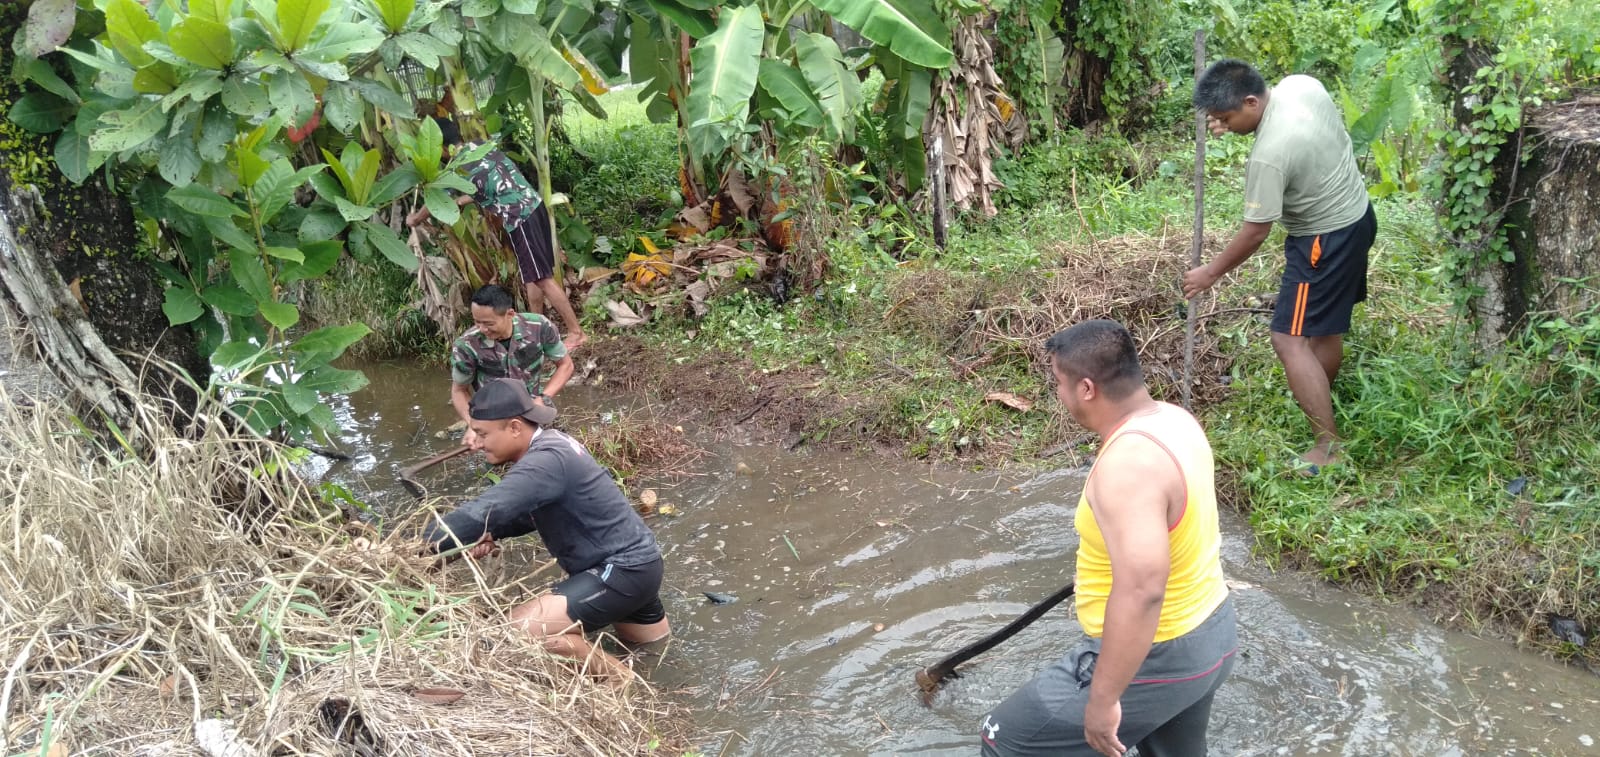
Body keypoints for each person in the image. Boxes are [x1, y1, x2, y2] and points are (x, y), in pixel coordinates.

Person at [980, 320, 1237, 757]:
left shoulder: (1127, 465)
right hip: (1212, 633)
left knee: (1004, 741)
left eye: (1059, 384)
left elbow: (1142, 590)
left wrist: (1103, 700)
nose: (1058, 397)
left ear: (1085, 388)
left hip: (1162, 654)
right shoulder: (1176, 420)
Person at [1182, 59, 1377, 474]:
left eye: (1226, 118)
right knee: (1324, 327)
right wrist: (1231, 122)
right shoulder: (1300, 86)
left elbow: (1255, 232)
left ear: (1251, 101)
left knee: (1288, 340)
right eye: (1217, 120)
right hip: (1358, 215)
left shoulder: (1269, 156)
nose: (1224, 126)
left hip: (1322, 242)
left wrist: (1209, 273)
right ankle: (1320, 396)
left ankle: (1327, 448)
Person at [423, 378, 670, 682]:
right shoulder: (553, 445)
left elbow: (484, 510)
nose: (477, 442)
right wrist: (491, 533)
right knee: (653, 653)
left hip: (620, 571)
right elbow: (531, 515)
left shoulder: (546, 460)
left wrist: (414, 547)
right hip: (639, 567)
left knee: (513, 632)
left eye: (483, 433)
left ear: (515, 427)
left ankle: (619, 678)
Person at [407, 117, 587, 350]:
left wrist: (415, 219)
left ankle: (576, 332)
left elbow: (436, 201)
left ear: (441, 146)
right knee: (532, 276)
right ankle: (537, 329)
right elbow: (489, 181)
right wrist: (464, 199)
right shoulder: (480, 146)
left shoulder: (456, 168)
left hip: (519, 217)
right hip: (535, 206)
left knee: (542, 278)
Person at [449, 284, 574, 450]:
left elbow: (566, 365)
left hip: (532, 410)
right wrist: (473, 425)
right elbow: (459, 390)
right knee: (497, 468)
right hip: (494, 419)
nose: (482, 329)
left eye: (488, 323)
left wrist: (543, 398)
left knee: (547, 455)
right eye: (477, 322)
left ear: (510, 314)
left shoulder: (539, 327)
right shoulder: (466, 345)